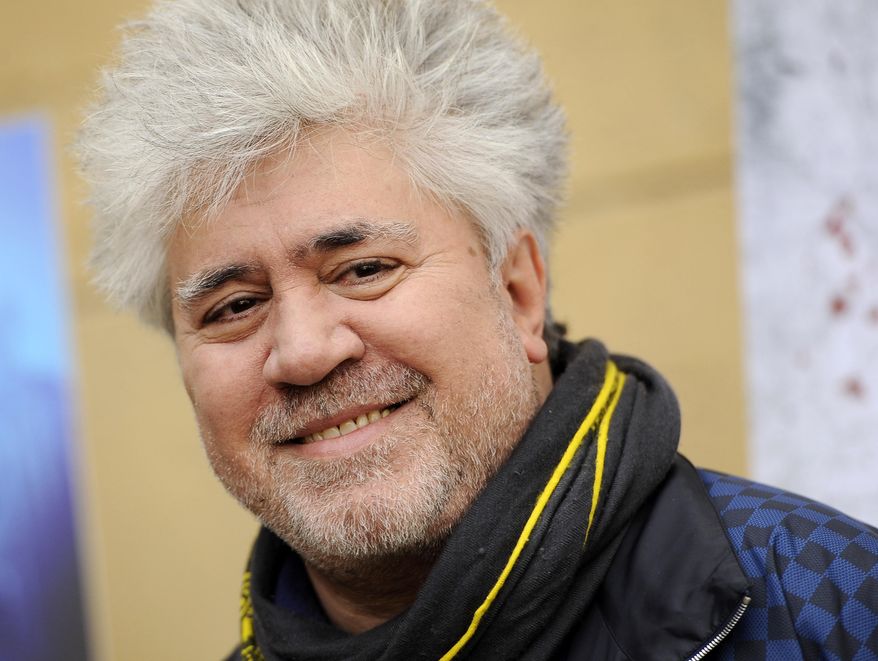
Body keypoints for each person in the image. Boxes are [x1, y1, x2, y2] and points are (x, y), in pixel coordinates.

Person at [77, 1, 878, 658]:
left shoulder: (829, 609)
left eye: (363, 268)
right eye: (233, 307)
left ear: (519, 289)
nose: (304, 350)